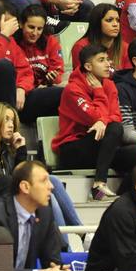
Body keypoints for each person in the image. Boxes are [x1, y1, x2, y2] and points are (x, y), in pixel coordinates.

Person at [0, 102, 81, 233]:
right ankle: (64, 247)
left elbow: (19, 178)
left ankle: (82, 233)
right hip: (0, 203)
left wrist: (21, 151)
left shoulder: (7, 151)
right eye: (6, 119)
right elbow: (7, 184)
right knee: (46, 193)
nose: (11, 125)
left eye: (13, 121)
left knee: (51, 180)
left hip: (16, 198)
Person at [52, 44, 125, 199]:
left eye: (107, 59)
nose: (108, 63)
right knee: (115, 129)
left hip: (101, 146)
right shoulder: (72, 89)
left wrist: (102, 121)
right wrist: (99, 92)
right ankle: (99, 183)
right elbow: (94, 117)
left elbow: (116, 116)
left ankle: (126, 196)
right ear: (88, 66)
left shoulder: (110, 84)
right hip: (73, 148)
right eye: (101, 60)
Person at [13, 5, 64, 120]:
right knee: (65, 94)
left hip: (45, 92)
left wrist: (52, 78)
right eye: (31, 27)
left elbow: (58, 70)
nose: (35, 33)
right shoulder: (13, 43)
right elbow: (19, 74)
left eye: (39, 29)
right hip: (23, 96)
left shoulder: (50, 41)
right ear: (21, 24)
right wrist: (25, 88)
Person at [71, 3, 125, 74]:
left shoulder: (125, 47)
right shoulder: (81, 46)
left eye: (118, 20)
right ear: (97, 23)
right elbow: (82, 78)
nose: (115, 24)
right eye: (109, 20)